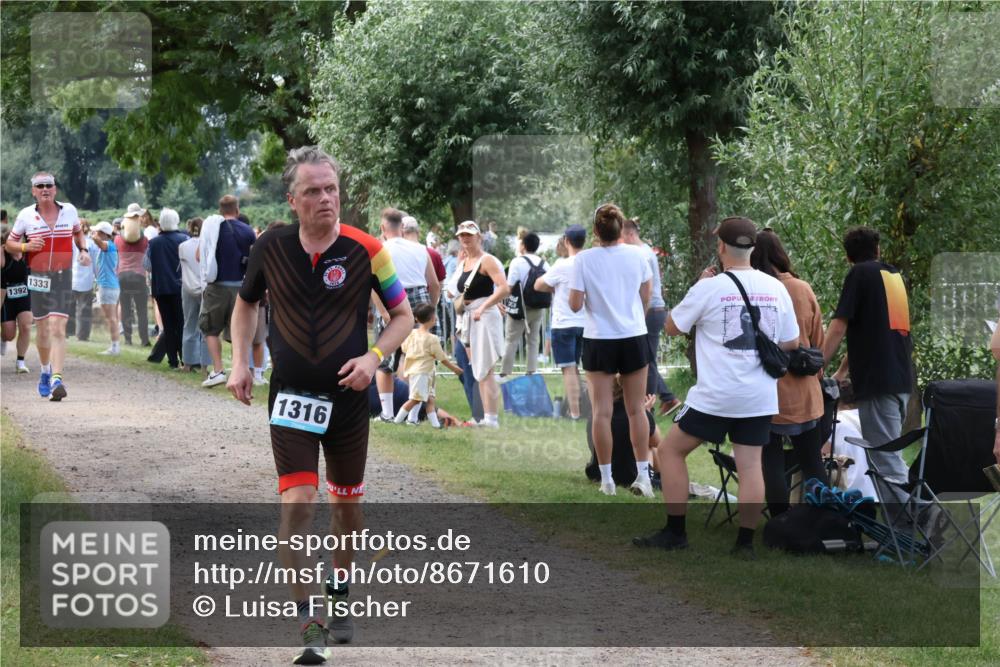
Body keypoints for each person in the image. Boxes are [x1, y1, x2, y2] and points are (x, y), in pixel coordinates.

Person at [227, 146, 413, 662]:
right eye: (313, 191)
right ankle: (309, 622)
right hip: (290, 398)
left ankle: (339, 589)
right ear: (293, 199)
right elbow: (245, 305)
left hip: (349, 401)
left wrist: (374, 359)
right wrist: (240, 360)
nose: (326, 199)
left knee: (347, 510)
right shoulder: (270, 247)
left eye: (331, 189)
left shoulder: (368, 249)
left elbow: (403, 317)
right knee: (299, 502)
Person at [634, 216, 799, 558]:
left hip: (716, 395)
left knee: (670, 452)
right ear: (752, 248)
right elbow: (791, 341)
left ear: (721, 247)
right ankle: (744, 544)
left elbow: (672, 327)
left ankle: (675, 531)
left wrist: (697, 286)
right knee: (751, 464)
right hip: (758, 395)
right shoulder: (776, 288)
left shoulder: (709, 287)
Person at [821, 227, 914, 502]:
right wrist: (841, 372)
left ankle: (915, 525)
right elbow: (874, 335)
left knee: (885, 461)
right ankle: (903, 528)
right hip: (900, 380)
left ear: (848, 257)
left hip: (878, 383)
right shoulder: (893, 277)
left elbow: (839, 326)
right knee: (889, 456)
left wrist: (819, 364)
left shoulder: (858, 274)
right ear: (878, 250)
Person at [568, 204, 654, 497]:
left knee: (601, 412)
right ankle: (643, 474)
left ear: (595, 231)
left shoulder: (583, 260)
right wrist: (631, 315)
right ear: (621, 229)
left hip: (599, 338)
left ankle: (606, 479)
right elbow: (646, 297)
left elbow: (575, 304)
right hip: (632, 335)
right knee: (636, 409)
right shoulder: (639, 255)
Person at [750, 229, 827, 516]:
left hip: (766, 389)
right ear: (781, 254)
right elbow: (817, 339)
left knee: (770, 460)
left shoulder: (755, 290)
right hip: (805, 390)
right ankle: (822, 515)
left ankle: (780, 520)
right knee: (811, 461)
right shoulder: (802, 288)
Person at [6, 172, 91, 401]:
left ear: (55, 189)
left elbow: (77, 232)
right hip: (37, 275)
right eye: (40, 186)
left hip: (63, 274)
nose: (45, 189)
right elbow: (10, 243)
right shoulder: (25, 215)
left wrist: (83, 250)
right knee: (43, 329)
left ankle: (57, 378)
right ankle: (45, 371)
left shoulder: (69, 210)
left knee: (57, 327)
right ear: (33, 191)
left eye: (49, 186)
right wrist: (26, 247)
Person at [373, 208, 440, 420]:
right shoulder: (421, 249)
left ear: (383, 228)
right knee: (421, 362)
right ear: (403, 227)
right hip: (421, 301)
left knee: (384, 362)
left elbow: (372, 286)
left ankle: (388, 413)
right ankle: (414, 415)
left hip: (392, 300)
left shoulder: (379, 249)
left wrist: (383, 311)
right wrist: (431, 308)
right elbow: (435, 284)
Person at [447, 220, 510, 428]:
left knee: (486, 369)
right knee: (478, 370)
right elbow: (451, 292)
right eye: (461, 235)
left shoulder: (487, 260)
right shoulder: (464, 261)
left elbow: (503, 288)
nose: (465, 238)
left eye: (469, 235)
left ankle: (491, 419)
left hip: (483, 316)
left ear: (478, 237)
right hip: (467, 317)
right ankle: (485, 417)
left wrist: (485, 307)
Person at [622, 217, 681, 416]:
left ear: (630, 234)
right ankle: (664, 397)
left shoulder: (640, 254)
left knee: (647, 360)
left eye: (622, 237)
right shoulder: (646, 250)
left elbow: (642, 289)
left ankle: (655, 402)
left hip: (649, 310)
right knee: (647, 358)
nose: (620, 242)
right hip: (654, 310)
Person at [197, 195, 256, 387]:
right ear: (237, 210)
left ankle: (218, 370)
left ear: (220, 210)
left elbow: (201, 255)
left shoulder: (213, 228)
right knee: (239, 331)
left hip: (217, 285)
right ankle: (239, 369)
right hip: (241, 286)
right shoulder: (248, 231)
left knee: (210, 328)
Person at [535, 224, 588, 419]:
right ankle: (579, 406)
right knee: (578, 367)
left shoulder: (562, 265)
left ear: (566, 241)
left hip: (564, 323)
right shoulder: (589, 262)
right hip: (586, 323)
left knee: (568, 368)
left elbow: (538, 284)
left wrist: (556, 287)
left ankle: (574, 412)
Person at [395, 303, 464, 427]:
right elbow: (442, 358)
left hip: (420, 372)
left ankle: (435, 425)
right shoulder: (432, 338)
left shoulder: (410, 333)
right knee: (415, 399)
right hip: (422, 373)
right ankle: (399, 421)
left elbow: (404, 348)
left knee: (430, 399)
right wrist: (455, 369)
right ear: (433, 319)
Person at [585, 377, 662, 488]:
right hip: (631, 475)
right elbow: (657, 443)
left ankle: (659, 477)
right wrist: (647, 414)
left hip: (598, 473)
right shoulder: (639, 416)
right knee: (650, 447)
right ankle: (657, 477)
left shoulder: (596, 417)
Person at [501, 231, 549, 378]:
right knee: (533, 340)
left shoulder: (517, 262)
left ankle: (505, 372)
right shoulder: (544, 263)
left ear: (523, 245)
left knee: (511, 340)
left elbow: (509, 286)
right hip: (538, 307)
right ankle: (531, 371)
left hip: (520, 308)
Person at [145, 208, 189, 369]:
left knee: (168, 326)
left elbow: (147, 265)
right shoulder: (184, 239)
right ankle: (186, 358)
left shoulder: (153, 242)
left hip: (161, 288)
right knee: (182, 323)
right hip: (180, 287)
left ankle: (172, 361)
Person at [116, 203, 151, 347]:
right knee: (141, 309)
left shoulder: (117, 239)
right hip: (139, 276)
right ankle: (144, 340)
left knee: (125, 308)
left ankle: (128, 339)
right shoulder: (144, 240)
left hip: (122, 275)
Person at [178, 217, 209, 372]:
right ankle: (205, 366)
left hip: (187, 286)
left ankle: (188, 364)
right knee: (206, 327)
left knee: (189, 325)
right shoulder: (208, 246)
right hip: (206, 288)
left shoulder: (182, 246)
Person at [1, 230, 32, 373]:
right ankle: (2, 339)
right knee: (9, 335)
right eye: (13, 240)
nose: (16, 243)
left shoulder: (27, 255)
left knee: (26, 326)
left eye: (19, 240)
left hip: (24, 296)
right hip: (6, 298)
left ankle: (20, 362)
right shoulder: (3, 255)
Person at [90, 222, 121, 356]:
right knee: (111, 318)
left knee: (111, 318)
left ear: (103, 234)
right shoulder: (110, 246)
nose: (94, 234)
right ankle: (114, 346)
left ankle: (115, 347)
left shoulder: (108, 245)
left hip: (108, 286)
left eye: (97, 231)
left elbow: (97, 240)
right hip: (107, 285)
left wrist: (94, 235)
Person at [69, 220, 97, 341]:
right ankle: (82, 335)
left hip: (71, 278)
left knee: (69, 308)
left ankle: (68, 331)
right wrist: (97, 277)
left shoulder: (70, 242)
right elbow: (96, 263)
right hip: (86, 279)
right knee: (84, 310)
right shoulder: (91, 244)